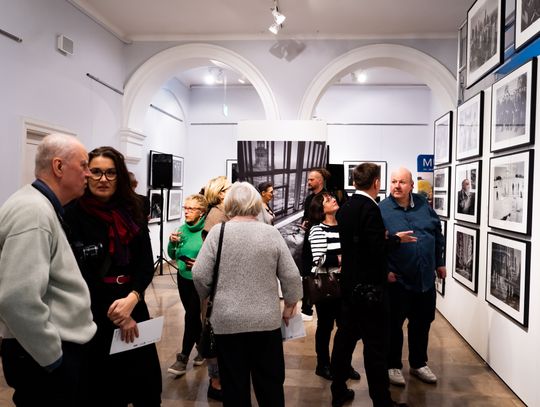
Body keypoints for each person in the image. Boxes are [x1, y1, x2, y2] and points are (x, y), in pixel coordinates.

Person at [0, 133, 97, 406]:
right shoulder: (34, 212)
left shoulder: (38, 206)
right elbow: (17, 299)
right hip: (43, 357)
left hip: (41, 351)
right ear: (58, 166)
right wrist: (53, 357)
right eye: (83, 165)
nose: (88, 174)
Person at [64, 146, 162, 406]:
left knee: (146, 389)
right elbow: (77, 272)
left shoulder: (133, 210)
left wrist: (133, 298)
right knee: (103, 390)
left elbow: (145, 263)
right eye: (96, 172)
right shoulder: (72, 213)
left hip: (132, 304)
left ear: (119, 176)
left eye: (110, 173)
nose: (103, 179)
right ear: (86, 174)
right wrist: (118, 314)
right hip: (95, 311)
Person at [192, 182, 302, 407]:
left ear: (229, 203)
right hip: (266, 321)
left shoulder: (218, 232)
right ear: (256, 203)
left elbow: (199, 274)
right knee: (270, 384)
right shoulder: (271, 233)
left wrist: (208, 295)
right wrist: (290, 305)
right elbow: (291, 275)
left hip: (227, 321)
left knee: (234, 385)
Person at [331, 163, 415, 407]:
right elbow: (376, 249)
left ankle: (338, 391)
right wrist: (396, 240)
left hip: (349, 287)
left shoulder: (346, 208)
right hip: (370, 292)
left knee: (344, 342)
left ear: (355, 182)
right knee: (376, 347)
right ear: (377, 183)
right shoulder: (370, 208)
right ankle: (381, 400)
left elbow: (358, 246)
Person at [379, 167, 446, 387]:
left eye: (402, 182)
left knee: (422, 323)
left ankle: (418, 363)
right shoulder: (382, 210)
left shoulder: (424, 206)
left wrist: (439, 262)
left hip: (425, 279)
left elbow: (437, 234)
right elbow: (376, 246)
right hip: (397, 280)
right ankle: (392, 365)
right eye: (393, 182)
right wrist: (384, 270)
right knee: (393, 325)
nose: (396, 186)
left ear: (411, 186)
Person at [306, 192, 360, 382]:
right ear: (320, 209)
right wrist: (342, 258)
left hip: (346, 284)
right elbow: (319, 259)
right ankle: (323, 365)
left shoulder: (343, 226)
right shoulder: (317, 229)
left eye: (332, 198)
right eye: (327, 200)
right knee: (325, 327)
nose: (333, 199)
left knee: (347, 328)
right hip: (327, 285)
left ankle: (343, 364)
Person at [167, 193, 208, 376]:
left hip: (199, 280)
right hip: (183, 277)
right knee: (192, 318)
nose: (186, 211)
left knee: (190, 316)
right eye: (185, 208)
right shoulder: (182, 229)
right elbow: (172, 255)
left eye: (191, 208)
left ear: (202, 211)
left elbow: (213, 258)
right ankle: (203, 348)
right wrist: (171, 242)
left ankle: (183, 358)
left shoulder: (207, 231)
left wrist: (199, 263)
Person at [201, 175, 231, 400]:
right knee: (215, 335)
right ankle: (216, 382)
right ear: (221, 193)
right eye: (229, 188)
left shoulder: (224, 214)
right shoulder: (216, 217)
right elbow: (211, 259)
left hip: (224, 284)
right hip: (217, 287)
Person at [300, 168, 330, 321]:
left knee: (320, 273)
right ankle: (306, 308)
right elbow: (307, 217)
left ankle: (319, 306)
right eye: (308, 179)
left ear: (320, 180)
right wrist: (305, 223)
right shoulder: (309, 199)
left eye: (311, 179)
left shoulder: (327, 198)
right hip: (309, 241)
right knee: (307, 274)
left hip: (321, 241)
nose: (308, 182)